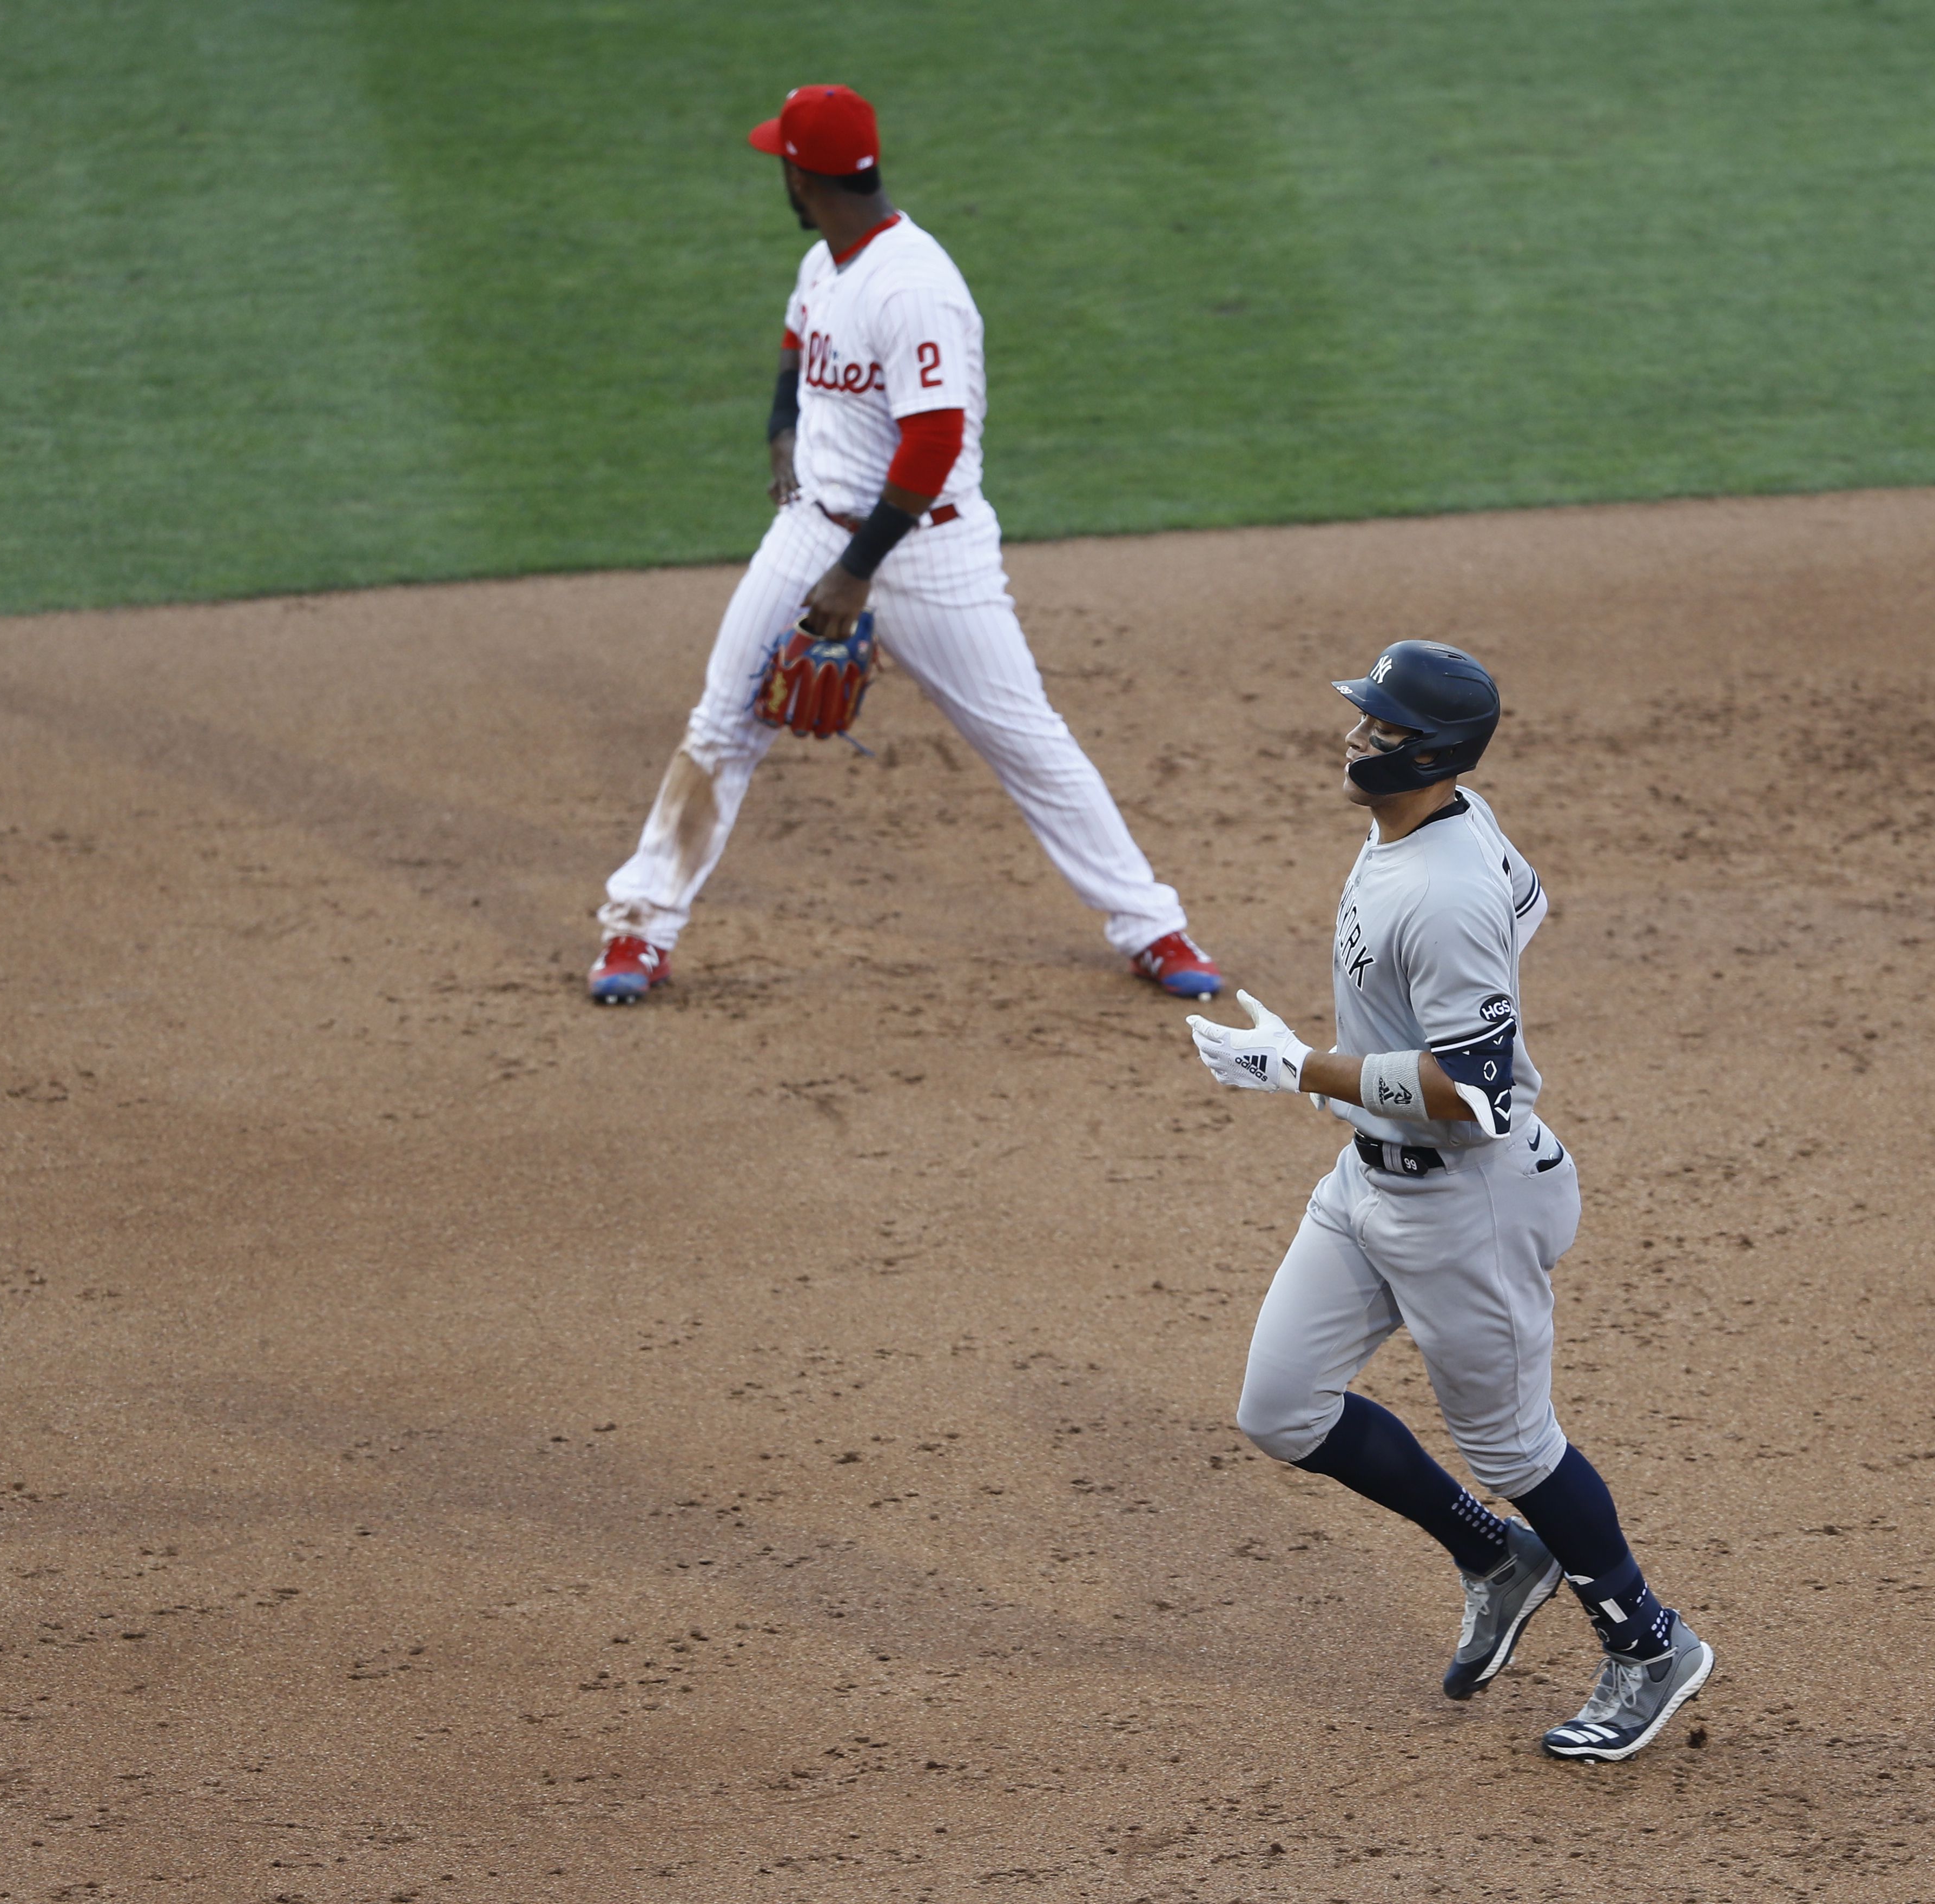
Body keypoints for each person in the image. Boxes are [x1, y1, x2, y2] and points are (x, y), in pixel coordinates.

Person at [1184, 641, 1714, 1761]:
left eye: (1377, 729)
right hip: (1369, 1179)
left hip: (1468, 1200)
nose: (1354, 737)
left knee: (1517, 1447)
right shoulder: (1432, 829)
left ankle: (1649, 1640)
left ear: (1426, 752)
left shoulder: (1445, 887)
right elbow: (1533, 898)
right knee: (1280, 1407)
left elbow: (1470, 1091)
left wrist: (1300, 1067)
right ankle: (1493, 1554)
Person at [589, 84, 1223, 1004]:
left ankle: (1152, 926)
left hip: (927, 550)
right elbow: (793, 347)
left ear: (803, 176)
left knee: (1026, 741)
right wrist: (780, 431)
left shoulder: (913, 285)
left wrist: (855, 575)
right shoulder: (827, 262)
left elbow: (933, 442)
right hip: (811, 531)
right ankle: (639, 929)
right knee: (722, 725)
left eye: (783, 163)